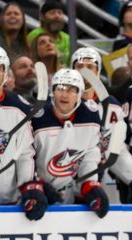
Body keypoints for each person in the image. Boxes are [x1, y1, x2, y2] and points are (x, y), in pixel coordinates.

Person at [71, 47, 132, 204]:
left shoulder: (112, 106)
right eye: (80, 67)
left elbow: (115, 150)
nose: (85, 72)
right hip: (59, 190)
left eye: (90, 67)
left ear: (98, 71)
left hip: (93, 187)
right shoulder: (57, 105)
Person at [31, 68, 109, 218]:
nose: (65, 94)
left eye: (71, 89)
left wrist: (90, 184)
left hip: (71, 198)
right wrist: (37, 184)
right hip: (37, 195)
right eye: (60, 88)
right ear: (52, 92)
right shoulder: (36, 118)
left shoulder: (91, 118)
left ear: (79, 94)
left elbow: (90, 156)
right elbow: (25, 158)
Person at [0, 46, 36, 216]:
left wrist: (28, 188)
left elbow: (25, 154)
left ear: (6, 71)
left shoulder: (20, 107)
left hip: (11, 204)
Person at [27, 0, 71, 67]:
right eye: (52, 13)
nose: (57, 16)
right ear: (42, 17)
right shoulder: (34, 35)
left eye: (60, 13)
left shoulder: (67, 38)